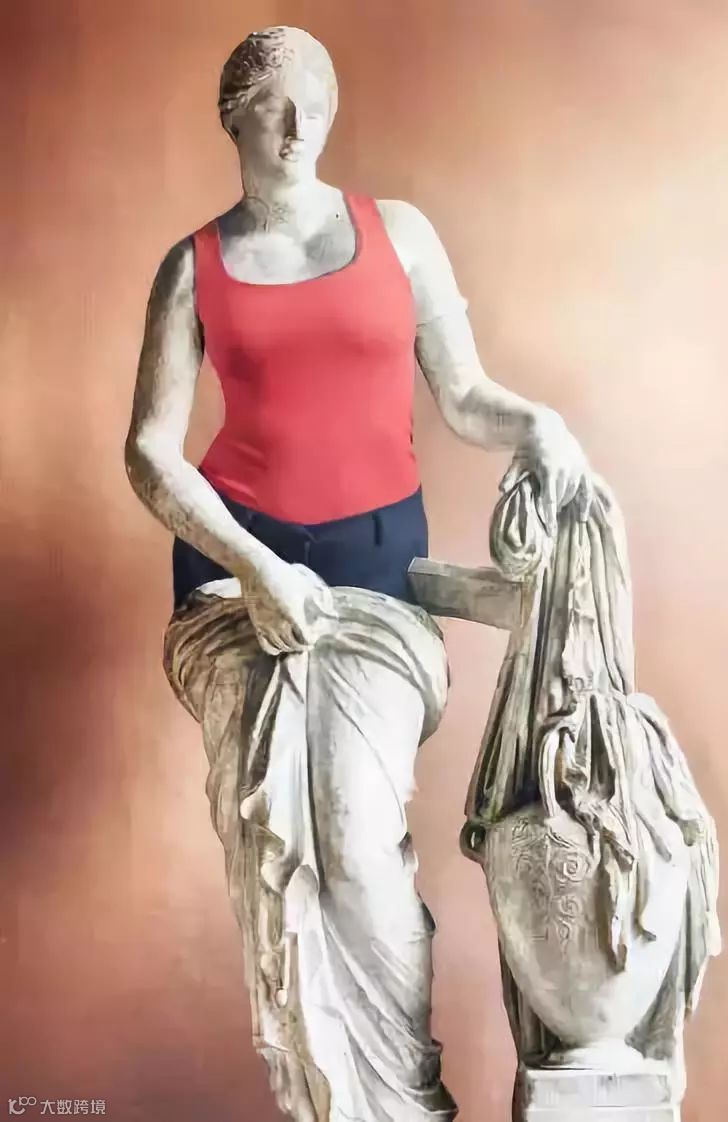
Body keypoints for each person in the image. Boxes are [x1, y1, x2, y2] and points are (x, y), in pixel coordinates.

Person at [124, 25, 591, 1122]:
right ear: (234, 116)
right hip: (238, 585)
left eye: (317, 103)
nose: (299, 125)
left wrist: (540, 424)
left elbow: (464, 395)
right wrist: (257, 571)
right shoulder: (192, 267)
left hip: (378, 577)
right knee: (275, 842)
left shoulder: (401, 235)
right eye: (274, 104)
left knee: (356, 835)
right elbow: (148, 451)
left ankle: (402, 1099)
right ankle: (318, 1096)